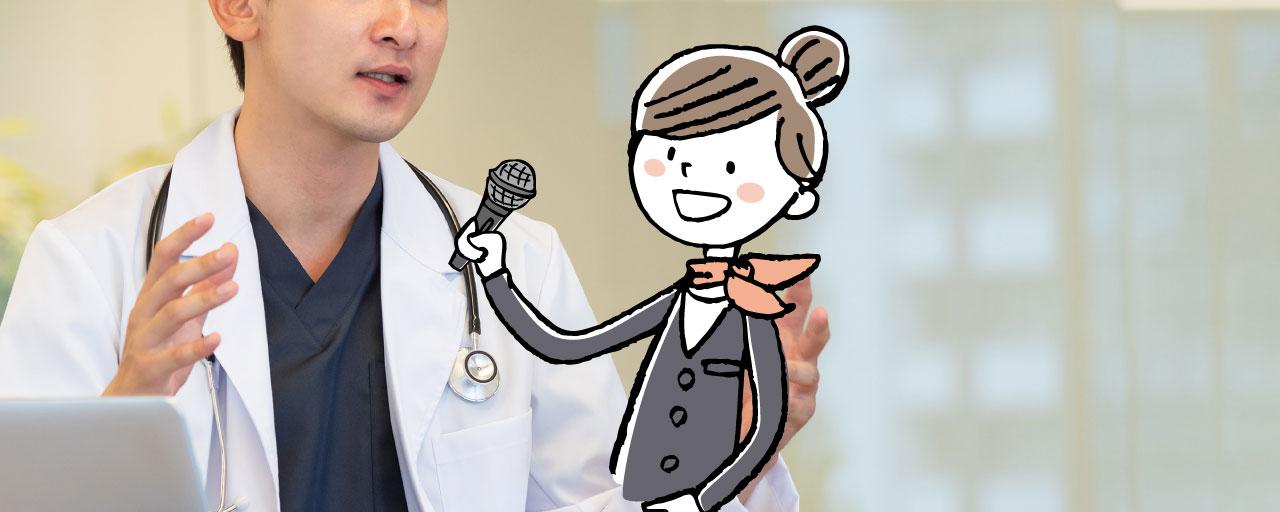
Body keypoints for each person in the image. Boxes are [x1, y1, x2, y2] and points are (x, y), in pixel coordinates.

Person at [0, 1, 831, 511]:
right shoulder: (91, 264)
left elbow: (603, 503)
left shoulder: (518, 266)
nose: (403, 24)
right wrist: (125, 412)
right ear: (239, 6)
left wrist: (734, 454)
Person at [456, 27, 845, 512]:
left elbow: (763, 429)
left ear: (797, 196)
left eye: (730, 167)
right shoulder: (678, 301)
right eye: (675, 157)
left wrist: (703, 498)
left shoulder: (752, 313)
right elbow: (566, 345)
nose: (693, 179)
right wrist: (496, 275)